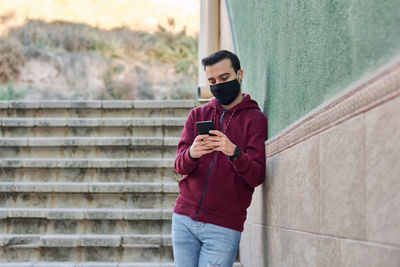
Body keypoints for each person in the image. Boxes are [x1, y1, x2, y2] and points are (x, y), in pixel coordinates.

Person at [172, 50, 267, 267]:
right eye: (212, 81)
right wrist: (192, 154)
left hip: (223, 226)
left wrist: (234, 152)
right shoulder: (197, 116)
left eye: (224, 78)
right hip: (184, 219)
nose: (218, 85)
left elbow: (257, 176)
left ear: (239, 74)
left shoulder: (255, 119)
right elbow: (179, 166)